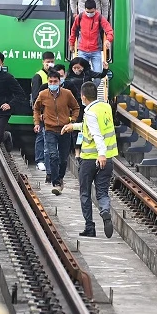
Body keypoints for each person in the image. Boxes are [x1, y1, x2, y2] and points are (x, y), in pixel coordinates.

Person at [61, 82, 117, 238]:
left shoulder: (90, 112)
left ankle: (90, 227)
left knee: (85, 193)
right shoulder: (105, 107)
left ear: (83, 97)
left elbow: (97, 134)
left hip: (91, 160)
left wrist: (101, 154)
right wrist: (74, 126)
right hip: (108, 158)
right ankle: (105, 211)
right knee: (102, 192)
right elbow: (92, 127)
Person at [33, 71, 80, 195]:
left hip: (65, 129)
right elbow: (36, 108)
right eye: (50, 81)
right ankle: (56, 182)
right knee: (53, 155)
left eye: (55, 81)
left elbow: (76, 107)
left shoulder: (67, 94)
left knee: (63, 158)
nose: (52, 84)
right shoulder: (43, 94)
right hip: (49, 129)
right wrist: (37, 123)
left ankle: (60, 177)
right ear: (47, 82)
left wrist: (72, 121)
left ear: (60, 82)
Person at [63, 56, 109, 158]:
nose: (76, 70)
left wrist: (105, 69)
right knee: (76, 127)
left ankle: (88, 147)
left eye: (78, 68)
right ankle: (77, 151)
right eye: (74, 68)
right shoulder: (69, 76)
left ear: (83, 67)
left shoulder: (87, 74)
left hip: (87, 104)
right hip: (75, 105)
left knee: (88, 125)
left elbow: (100, 75)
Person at [69, 0, 114, 76]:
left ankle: (92, 88)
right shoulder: (79, 17)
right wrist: (71, 44)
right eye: (87, 12)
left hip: (95, 51)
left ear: (95, 9)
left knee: (98, 75)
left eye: (92, 12)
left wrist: (108, 39)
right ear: (84, 9)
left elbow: (109, 30)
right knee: (80, 74)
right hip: (82, 50)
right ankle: (84, 88)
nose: (89, 14)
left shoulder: (99, 18)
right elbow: (73, 31)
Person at [30, 52, 56, 172]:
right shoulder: (38, 76)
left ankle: (48, 160)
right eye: (47, 62)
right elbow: (35, 96)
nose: (49, 64)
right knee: (41, 136)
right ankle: (39, 160)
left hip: (51, 112)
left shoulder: (53, 76)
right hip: (42, 112)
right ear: (43, 62)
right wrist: (38, 113)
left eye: (51, 61)